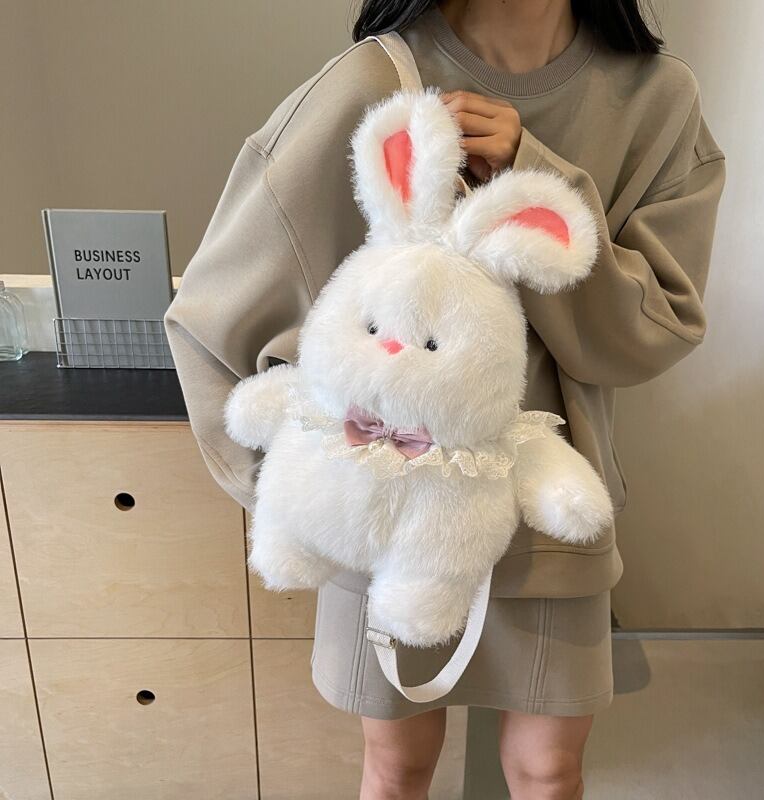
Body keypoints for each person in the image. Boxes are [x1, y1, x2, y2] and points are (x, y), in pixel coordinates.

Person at [164, 0, 725, 797]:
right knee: (396, 770)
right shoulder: (373, 81)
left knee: (547, 773)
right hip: (387, 515)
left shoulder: (657, 98)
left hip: (546, 516)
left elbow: (654, 328)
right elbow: (213, 312)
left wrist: (539, 176)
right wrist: (303, 491)